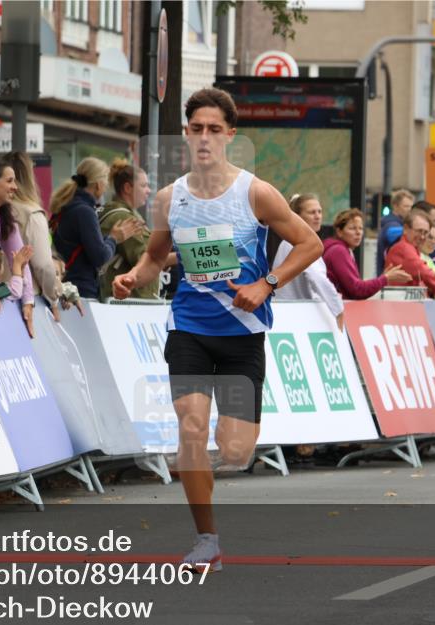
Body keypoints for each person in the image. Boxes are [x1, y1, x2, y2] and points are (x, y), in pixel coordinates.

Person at [111, 88, 322, 572]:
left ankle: (216, 495)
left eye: (214, 129)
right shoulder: (170, 198)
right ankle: (206, 540)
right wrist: (132, 278)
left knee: (234, 449)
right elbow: (154, 257)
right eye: (196, 129)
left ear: (229, 135)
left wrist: (266, 284)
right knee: (189, 429)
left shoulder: (255, 193)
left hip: (242, 335)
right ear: (186, 134)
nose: (204, 138)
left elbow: (311, 244)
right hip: (188, 327)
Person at [51, 157, 141, 299]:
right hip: (81, 290)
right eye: (105, 181)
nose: (106, 186)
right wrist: (114, 238)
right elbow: (100, 257)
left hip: (66, 285)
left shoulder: (67, 206)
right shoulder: (84, 212)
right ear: (98, 185)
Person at [4, 151, 66, 314]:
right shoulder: (32, 213)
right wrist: (53, 297)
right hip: (29, 300)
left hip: (0, 293)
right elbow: (43, 265)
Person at [0, 154, 36, 333]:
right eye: (10, 181)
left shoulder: (6, 219)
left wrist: (28, 302)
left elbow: (20, 260)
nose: (15, 187)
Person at [99, 158, 169, 300]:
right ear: (127, 188)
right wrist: (183, 257)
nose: (149, 191)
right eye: (143, 185)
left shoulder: (111, 212)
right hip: (131, 301)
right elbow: (150, 259)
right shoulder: (126, 220)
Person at [273, 194, 344, 329]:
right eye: (312, 212)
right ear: (298, 216)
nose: (317, 216)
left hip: (286, 314)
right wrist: (338, 310)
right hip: (299, 316)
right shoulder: (304, 244)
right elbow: (318, 279)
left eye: (319, 211)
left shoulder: (287, 241)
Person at [322, 208, 410, 299]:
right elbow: (357, 290)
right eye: (352, 228)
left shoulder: (343, 250)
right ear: (339, 232)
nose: (358, 232)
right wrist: (385, 278)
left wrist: (384, 277)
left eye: (360, 228)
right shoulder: (338, 251)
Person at [384, 208, 435, 302]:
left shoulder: (409, 248)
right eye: (419, 231)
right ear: (406, 229)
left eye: (425, 233)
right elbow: (424, 271)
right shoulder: (405, 248)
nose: (422, 237)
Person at [375, 188, 413, 275]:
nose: (409, 210)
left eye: (411, 206)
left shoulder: (401, 223)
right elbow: (391, 233)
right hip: (389, 276)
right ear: (395, 206)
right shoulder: (391, 222)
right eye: (406, 206)